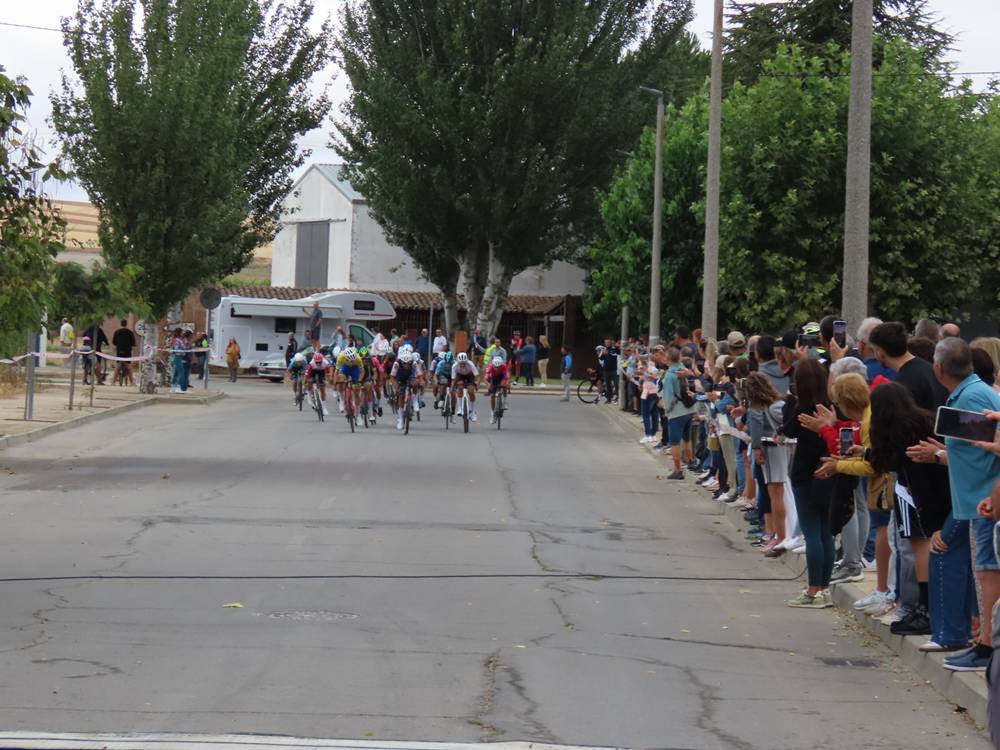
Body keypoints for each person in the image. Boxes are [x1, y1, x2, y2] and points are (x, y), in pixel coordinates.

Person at [908, 338, 1000, 672]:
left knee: (987, 573)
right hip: (979, 500)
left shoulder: (973, 396)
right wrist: (939, 454)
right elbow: (975, 450)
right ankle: (983, 642)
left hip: (985, 502)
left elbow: (989, 448)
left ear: (938, 368)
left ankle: (987, 646)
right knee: (984, 573)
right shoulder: (967, 395)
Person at [782, 358, 836, 607]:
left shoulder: (802, 408)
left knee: (812, 532)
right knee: (825, 532)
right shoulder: (831, 407)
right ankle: (825, 587)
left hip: (805, 473)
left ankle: (813, 589)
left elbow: (789, 430)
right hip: (830, 470)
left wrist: (792, 401)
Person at [744, 372, 790, 554]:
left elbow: (758, 428)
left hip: (771, 450)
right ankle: (779, 536)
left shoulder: (765, 407)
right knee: (776, 494)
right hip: (778, 450)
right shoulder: (774, 404)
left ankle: (780, 537)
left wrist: (756, 447)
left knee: (775, 494)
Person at [660, 347, 697, 480]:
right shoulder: (683, 369)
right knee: (687, 438)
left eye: (665, 356)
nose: (663, 358)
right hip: (689, 408)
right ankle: (691, 461)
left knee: (675, 442)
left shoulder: (669, 375)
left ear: (669, 359)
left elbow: (668, 397)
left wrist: (666, 410)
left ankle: (677, 470)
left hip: (677, 411)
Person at [391, 351, 418, 429]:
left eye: (407, 363)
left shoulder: (414, 363)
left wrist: (419, 381)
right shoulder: (397, 364)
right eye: (404, 364)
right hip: (400, 377)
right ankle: (400, 418)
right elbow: (392, 377)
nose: (406, 365)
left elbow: (419, 375)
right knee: (401, 395)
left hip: (411, 375)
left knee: (415, 383)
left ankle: (415, 401)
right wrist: (397, 388)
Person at [450, 352, 479, 421]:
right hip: (460, 376)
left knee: (471, 391)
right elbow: (453, 379)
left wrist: (477, 385)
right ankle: (460, 408)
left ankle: (473, 411)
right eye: (461, 363)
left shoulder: (471, 364)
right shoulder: (454, 366)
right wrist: (452, 387)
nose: (462, 365)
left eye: (464, 363)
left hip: (470, 376)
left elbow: (477, 376)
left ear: (466, 361)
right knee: (460, 386)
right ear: (458, 362)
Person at [485, 355, 510, 423]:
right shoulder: (490, 366)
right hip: (493, 378)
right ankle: (492, 414)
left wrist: (507, 384)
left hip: (502, 377)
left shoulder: (504, 366)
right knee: (492, 395)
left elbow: (507, 377)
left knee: (504, 386)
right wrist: (489, 386)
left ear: (501, 365)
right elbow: (486, 379)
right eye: (495, 367)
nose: (497, 368)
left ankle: (504, 402)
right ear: (493, 365)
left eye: (498, 367)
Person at [305, 351, 331, 416]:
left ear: (322, 360)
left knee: (322, 389)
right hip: (313, 371)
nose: (318, 363)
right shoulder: (311, 364)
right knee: (309, 382)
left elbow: (327, 374)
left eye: (320, 362)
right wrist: (307, 381)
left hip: (321, 372)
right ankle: (309, 394)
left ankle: (324, 408)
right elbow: (307, 375)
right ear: (314, 361)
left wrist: (326, 380)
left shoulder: (326, 364)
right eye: (317, 362)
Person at [111, 320, 137, 385]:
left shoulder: (117, 332)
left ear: (121, 324)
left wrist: (118, 344)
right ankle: (132, 382)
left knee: (118, 365)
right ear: (126, 324)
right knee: (128, 366)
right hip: (127, 351)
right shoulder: (130, 332)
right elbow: (133, 343)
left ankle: (113, 382)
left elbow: (114, 342)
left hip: (119, 351)